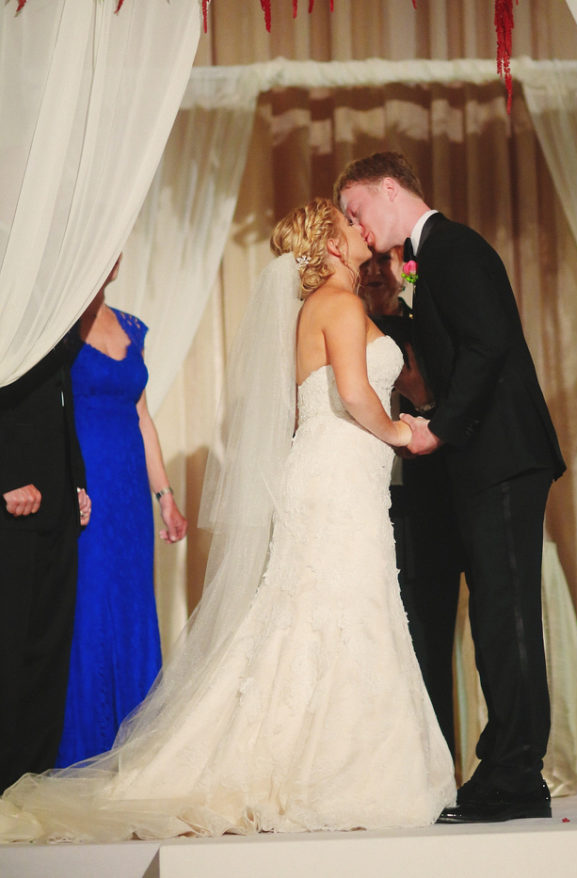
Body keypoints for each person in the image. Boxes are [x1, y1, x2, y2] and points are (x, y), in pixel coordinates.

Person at [0, 198, 455, 841]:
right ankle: (340, 769)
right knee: (343, 608)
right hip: (338, 476)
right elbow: (354, 394)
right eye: (351, 225)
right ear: (330, 244)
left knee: (324, 612)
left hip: (332, 472)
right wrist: (404, 433)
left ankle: (324, 759)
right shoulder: (343, 305)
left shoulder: (317, 308)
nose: (363, 231)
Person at [336, 152, 565, 824]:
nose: (355, 224)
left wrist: (440, 427)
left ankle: (517, 777)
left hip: (500, 456)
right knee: (497, 619)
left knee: (509, 619)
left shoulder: (452, 247)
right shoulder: (430, 256)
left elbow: (490, 345)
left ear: (389, 188)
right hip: (487, 460)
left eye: (356, 209)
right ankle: (505, 769)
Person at [56, 257, 188, 768]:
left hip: (131, 489)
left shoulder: (131, 326)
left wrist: (165, 496)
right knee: (90, 608)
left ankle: (133, 751)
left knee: (133, 605)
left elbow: (142, 416)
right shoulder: (60, 326)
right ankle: (84, 751)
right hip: (87, 483)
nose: (116, 257)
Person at [359, 247, 463, 755]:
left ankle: (437, 760)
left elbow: (452, 410)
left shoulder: (427, 328)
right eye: (368, 262)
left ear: (404, 267)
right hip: (359, 498)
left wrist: (418, 394)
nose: (375, 272)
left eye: (385, 262)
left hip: (425, 503)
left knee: (429, 630)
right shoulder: (340, 323)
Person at [0, 340, 91, 793]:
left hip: (57, 505)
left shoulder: (56, 303)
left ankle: (26, 788)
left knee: (46, 653)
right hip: (11, 501)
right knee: (9, 649)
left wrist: (77, 480)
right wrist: (6, 475)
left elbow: (59, 399)